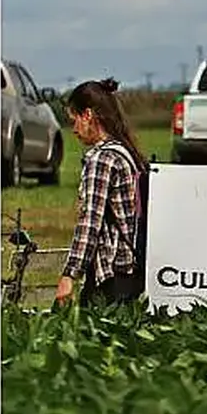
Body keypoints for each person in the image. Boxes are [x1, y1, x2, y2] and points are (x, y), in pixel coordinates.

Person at [56, 79, 150, 307]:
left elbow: (90, 221)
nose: (74, 130)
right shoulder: (126, 152)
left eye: (74, 120)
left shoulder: (102, 159)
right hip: (133, 269)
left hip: (111, 275)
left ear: (88, 115)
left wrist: (69, 275)